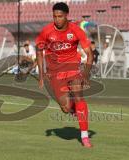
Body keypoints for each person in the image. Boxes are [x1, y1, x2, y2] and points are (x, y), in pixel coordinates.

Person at [36, 2, 94, 148]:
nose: (57, 19)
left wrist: (85, 75)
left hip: (73, 66)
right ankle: (73, 108)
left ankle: (85, 136)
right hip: (55, 71)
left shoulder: (75, 30)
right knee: (66, 108)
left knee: (79, 96)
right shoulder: (47, 31)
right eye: (54, 16)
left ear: (66, 16)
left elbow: (89, 54)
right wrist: (42, 74)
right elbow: (39, 51)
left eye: (60, 16)